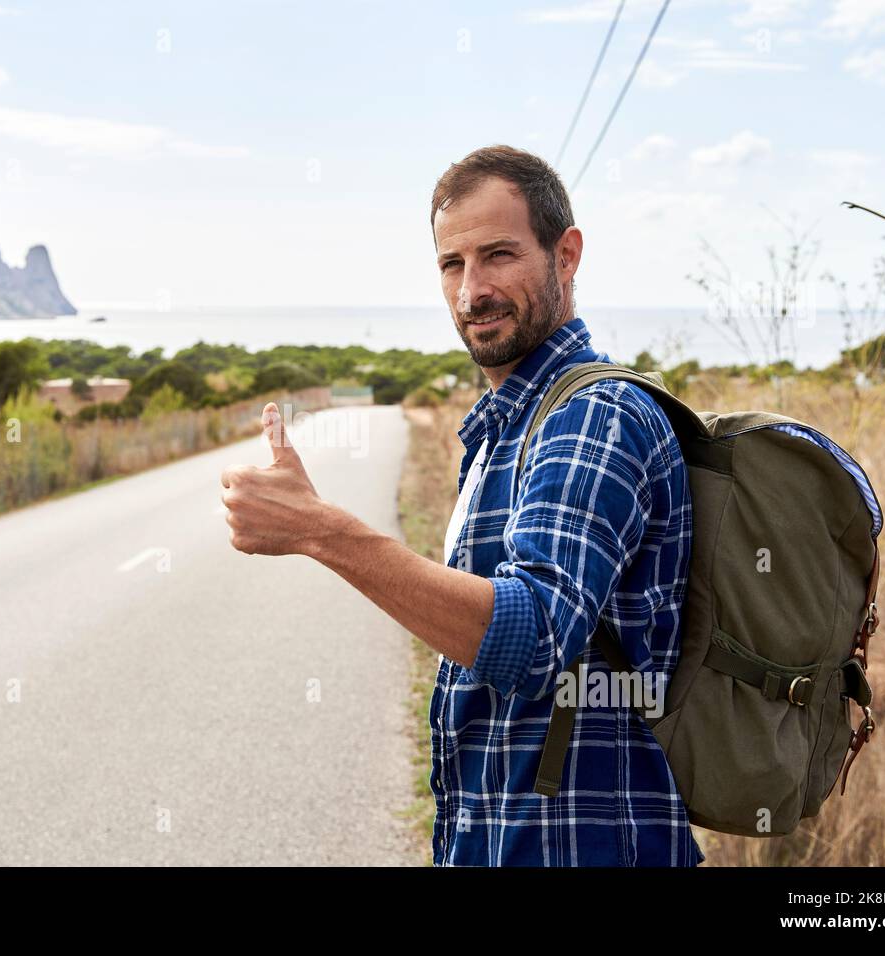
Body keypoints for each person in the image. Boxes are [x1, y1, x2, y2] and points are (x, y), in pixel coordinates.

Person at [220, 144, 703, 867]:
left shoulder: (596, 416)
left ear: (565, 255)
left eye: (499, 255)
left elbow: (536, 636)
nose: (471, 291)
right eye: (453, 264)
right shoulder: (508, 426)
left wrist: (321, 531)